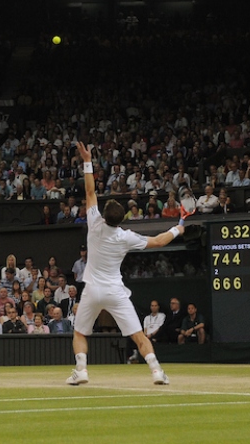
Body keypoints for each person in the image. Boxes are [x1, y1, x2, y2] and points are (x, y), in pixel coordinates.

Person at [66, 142, 184, 386]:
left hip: (93, 290)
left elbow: (89, 192)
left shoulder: (95, 223)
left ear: (105, 216)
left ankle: (81, 370)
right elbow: (160, 242)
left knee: (79, 332)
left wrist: (87, 160)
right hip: (115, 292)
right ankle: (157, 372)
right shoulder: (127, 237)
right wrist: (177, 229)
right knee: (138, 336)